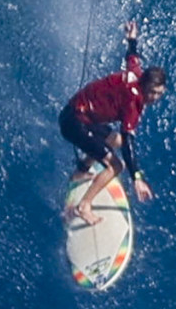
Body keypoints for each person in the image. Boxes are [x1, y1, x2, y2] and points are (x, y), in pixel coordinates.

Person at [60, 20, 168, 224]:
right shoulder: (133, 104)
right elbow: (129, 142)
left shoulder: (137, 73)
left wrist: (132, 39)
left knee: (114, 140)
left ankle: (81, 171)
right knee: (115, 166)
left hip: (77, 112)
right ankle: (84, 207)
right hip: (75, 123)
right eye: (152, 93)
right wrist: (136, 177)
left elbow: (131, 56)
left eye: (159, 94)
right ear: (145, 87)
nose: (154, 98)